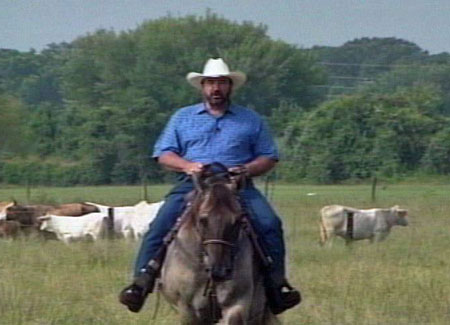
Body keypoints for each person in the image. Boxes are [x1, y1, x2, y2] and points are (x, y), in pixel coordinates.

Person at [119, 58, 301, 314]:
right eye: (211, 83)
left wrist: (247, 169)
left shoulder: (250, 120)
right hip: (193, 184)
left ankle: (276, 286)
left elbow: (268, 156)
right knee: (160, 224)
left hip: (237, 186)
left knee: (270, 224)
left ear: (230, 87)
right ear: (202, 87)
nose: (216, 89)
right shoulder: (182, 118)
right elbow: (163, 153)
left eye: (222, 83)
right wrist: (187, 166)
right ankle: (140, 283)